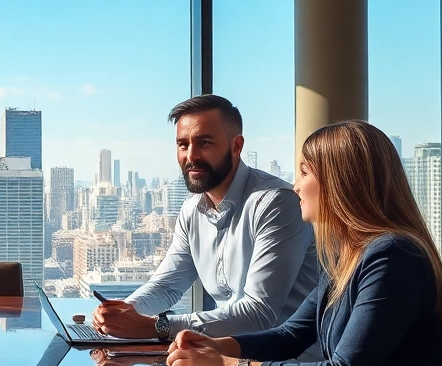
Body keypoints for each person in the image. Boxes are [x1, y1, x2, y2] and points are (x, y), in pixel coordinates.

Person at [166, 120, 442, 366]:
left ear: (341, 182)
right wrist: (217, 346)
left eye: (305, 173)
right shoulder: (348, 255)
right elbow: (291, 335)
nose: (295, 186)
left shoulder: (392, 256)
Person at [93, 95, 319, 344]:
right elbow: (166, 287)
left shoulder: (276, 203)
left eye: (205, 143)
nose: (191, 156)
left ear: (237, 145)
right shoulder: (192, 211)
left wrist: (157, 327)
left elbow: (259, 314)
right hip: (223, 359)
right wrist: (123, 313)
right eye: (183, 145)